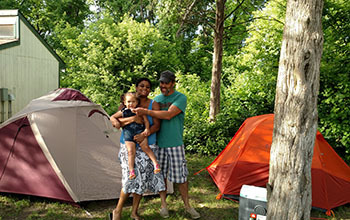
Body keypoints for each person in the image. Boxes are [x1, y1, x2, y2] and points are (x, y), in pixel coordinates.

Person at [133, 70, 201, 219]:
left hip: (175, 144)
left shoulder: (180, 98)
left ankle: (188, 206)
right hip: (159, 144)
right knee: (161, 176)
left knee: (181, 178)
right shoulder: (156, 99)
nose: (163, 86)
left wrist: (146, 111)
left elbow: (169, 114)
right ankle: (163, 205)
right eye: (161, 83)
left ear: (173, 83)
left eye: (166, 83)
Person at [110, 78, 166, 220]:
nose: (144, 89)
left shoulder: (154, 104)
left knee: (141, 180)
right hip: (129, 145)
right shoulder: (127, 102)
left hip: (147, 144)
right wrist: (133, 119)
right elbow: (117, 123)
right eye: (141, 86)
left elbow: (157, 125)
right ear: (136, 87)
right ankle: (117, 210)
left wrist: (144, 134)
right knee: (129, 178)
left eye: (147, 87)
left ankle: (134, 211)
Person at [113, 92, 161, 179]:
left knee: (146, 148)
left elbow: (146, 121)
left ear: (137, 102)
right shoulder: (123, 111)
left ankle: (156, 164)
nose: (131, 104)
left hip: (139, 131)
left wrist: (146, 129)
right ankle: (131, 171)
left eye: (133, 102)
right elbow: (113, 117)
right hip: (128, 134)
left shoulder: (139, 111)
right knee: (131, 151)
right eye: (128, 102)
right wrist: (115, 121)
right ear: (124, 102)